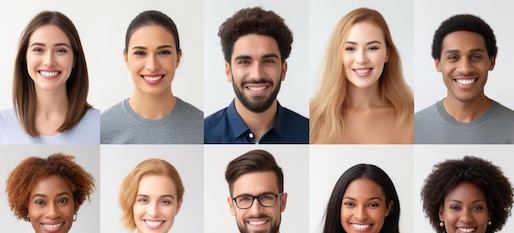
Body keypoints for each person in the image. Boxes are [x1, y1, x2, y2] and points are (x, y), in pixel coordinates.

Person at [204, 7, 309, 144]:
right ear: (228, 71)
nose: (257, 75)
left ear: (283, 70)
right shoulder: (203, 135)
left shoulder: (310, 133)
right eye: (245, 62)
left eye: (268, 61)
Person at [310, 8, 413, 144]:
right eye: (350, 48)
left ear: (387, 54)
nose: (361, 59)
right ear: (338, 54)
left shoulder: (412, 115)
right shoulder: (312, 115)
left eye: (372, 48)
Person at [101, 10, 202, 144]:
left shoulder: (202, 126)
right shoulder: (102, 128)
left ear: (178, 58)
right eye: (140, 53)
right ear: (126, 58)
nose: (152, 66)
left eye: (163, 52)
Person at [0, 11, 99, 144]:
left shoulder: (99, 124)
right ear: (25, 58)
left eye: (61, 50)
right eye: (38, 50)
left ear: (74, 59)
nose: (49, 61)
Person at [415, 14, 514, 143]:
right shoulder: (413, 127)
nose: (465, 69)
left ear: (492, 61)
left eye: (476, 57)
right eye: (453, 57)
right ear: (438, 63)